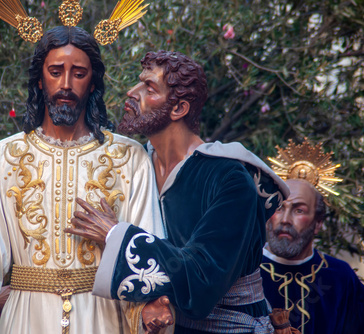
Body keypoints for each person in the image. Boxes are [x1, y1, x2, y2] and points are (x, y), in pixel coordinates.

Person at [0, 26, 166, 334]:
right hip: (27, 317)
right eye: (56, 72)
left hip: (103, 317)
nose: (66, 84)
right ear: (40, 80)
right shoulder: (5, 157)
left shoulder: (129, 157)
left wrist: (151, 301)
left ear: (93, 81)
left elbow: (149, 250)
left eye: (79, 74)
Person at [66, 50, 290, 334]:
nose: (132, 92)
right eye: (138, 83)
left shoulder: (229, 179)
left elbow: (202, 279)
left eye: (149, 88)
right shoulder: (137, 165)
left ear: (179, 109)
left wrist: (115, 236)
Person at [261, 178, 364, 334]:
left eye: (299, 210)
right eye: (279, 207)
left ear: (318, 223)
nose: (285, 220)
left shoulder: (339, 276)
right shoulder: (245, 271)